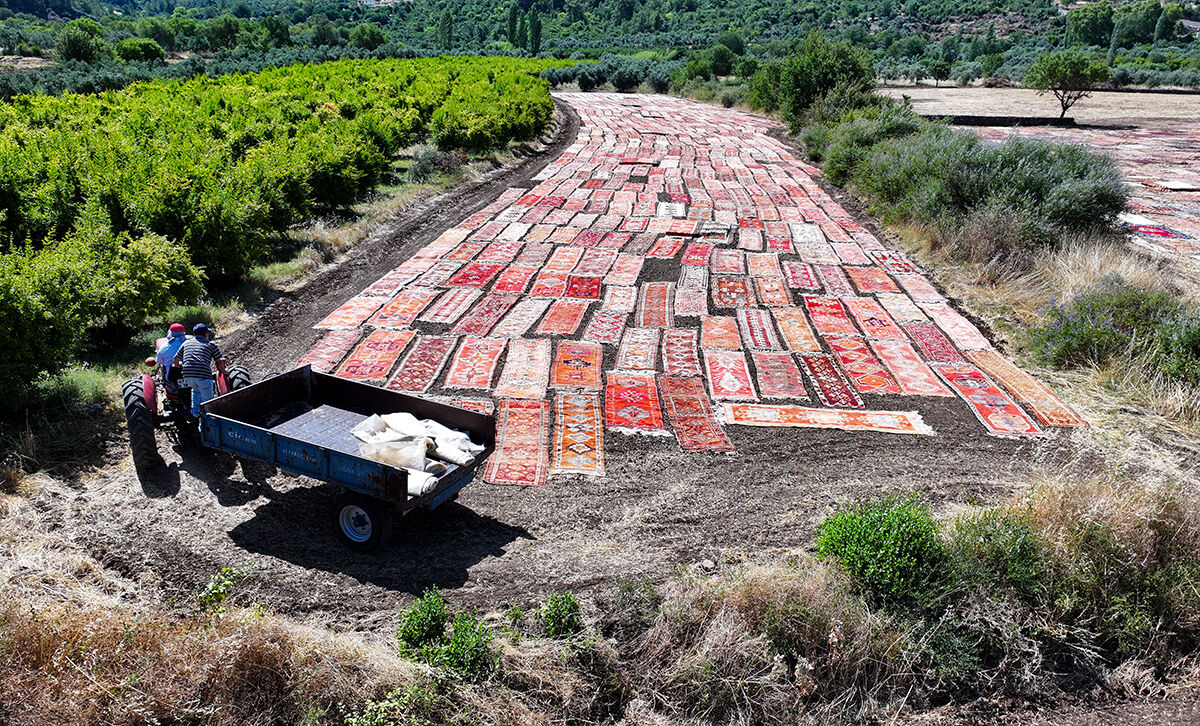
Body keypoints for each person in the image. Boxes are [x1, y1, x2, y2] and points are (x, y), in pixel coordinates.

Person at [175, 323, 227, 421]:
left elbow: (176, 358)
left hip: (188, 377)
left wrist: (179, 365)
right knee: (207, 402)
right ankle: (204, 423)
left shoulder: (186, 343)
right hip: (203, 376)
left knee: (195, 390)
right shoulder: (210, 344)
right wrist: (224, 372)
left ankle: (194, 413)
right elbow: (219, 362)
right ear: (206, 333)